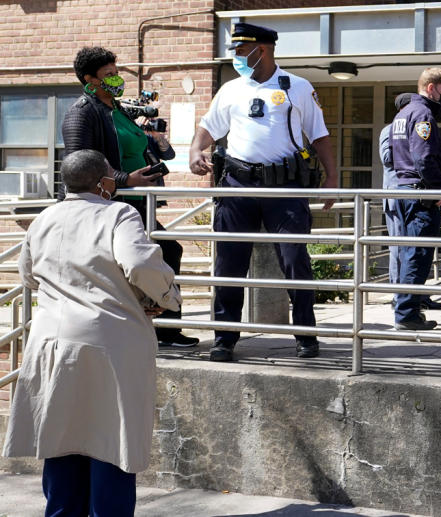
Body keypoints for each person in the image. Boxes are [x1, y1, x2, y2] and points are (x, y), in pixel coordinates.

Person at [3, 149, 182, 517]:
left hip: (52, 342)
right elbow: (136, 261)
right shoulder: (117, 213)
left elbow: (28, 276)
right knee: (111, 441)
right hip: (109, 343)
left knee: (62, 437)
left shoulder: (44, 218)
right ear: (103, 184)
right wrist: (163, 296)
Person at [189, 23, 337, 362]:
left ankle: (306, 335)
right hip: (238, 185)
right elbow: (208, 127)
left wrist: (332, 178)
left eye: (241, 51)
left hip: (284, 188)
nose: (236, 56)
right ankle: (224, 338)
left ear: (262, 50)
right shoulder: (230, 89)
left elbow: (319, 134)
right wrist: (196, 151)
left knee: (295, 260)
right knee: (229, 265)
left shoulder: (297, 88)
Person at [61, 46, 197, 348]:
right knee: (159, 252)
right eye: (108, 74)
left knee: (166, 252)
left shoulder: (118, 110)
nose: (116, 78)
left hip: (137, 202)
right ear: (90, 80)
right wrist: (125, 179)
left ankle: (164, 327)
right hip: (107, 204)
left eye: (116, 72)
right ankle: (156, 325)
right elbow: (78, 163)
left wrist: (157, 143)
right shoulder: (82, 113)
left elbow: (140, 148)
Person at [390, 67, 441, 331]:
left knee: (408, 254)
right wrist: (438, 188)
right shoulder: (423, 113)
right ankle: (407, 315)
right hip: (420, 194)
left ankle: (406, 310)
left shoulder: (402, 114)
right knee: (418, 255)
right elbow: (424, 157)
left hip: (404, 189)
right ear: (431, 88)